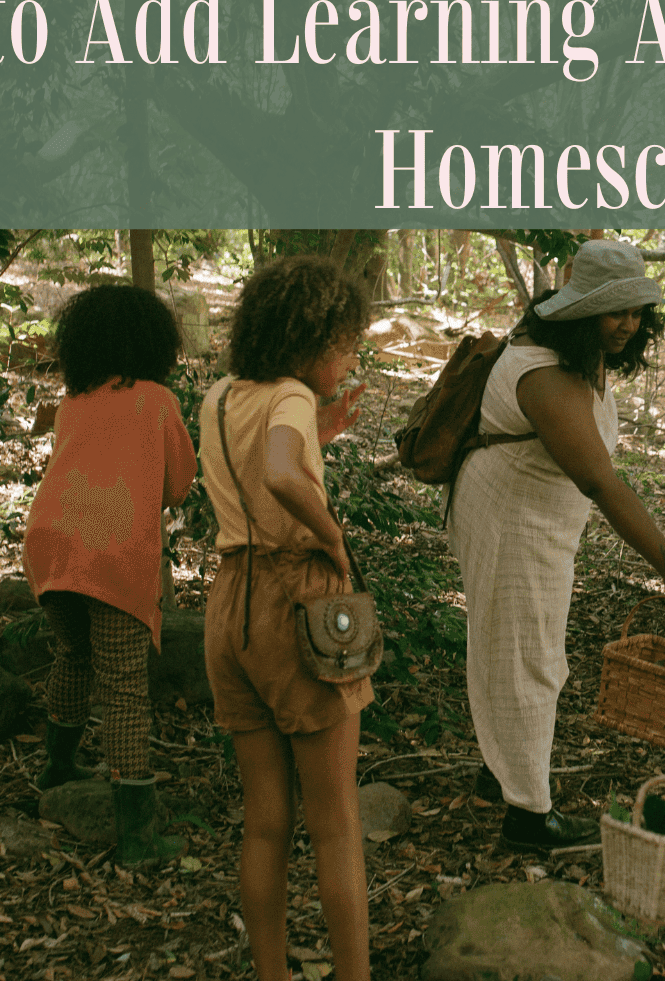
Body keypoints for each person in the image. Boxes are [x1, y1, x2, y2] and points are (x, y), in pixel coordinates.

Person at [449, 238, 665, 852]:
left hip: (536, 519)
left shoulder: (583, 357)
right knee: (527, 653)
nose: (627, 325)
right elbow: (598, 478)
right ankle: (528, 817)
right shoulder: (542, 370)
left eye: (635, 312)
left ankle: (505, 771)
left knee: (515, 643)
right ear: (580, 309)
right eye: (614, 312)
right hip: (511, 518)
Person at [198, 256, 373, 981]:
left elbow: (253, 476)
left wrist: (317, 444)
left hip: (229, 608)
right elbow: (277, 474)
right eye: (346, 346)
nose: (350, 359)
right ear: (311, 342)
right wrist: (331, 536)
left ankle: (271, 970)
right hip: (295, 599)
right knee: (334, 821)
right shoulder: (293, 396)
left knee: (266, 819)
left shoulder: (218, 396)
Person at [21, 284, 197, 866]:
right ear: (153, 343)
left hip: (51, 545)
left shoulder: (74, 401)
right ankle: (137, 835)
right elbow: (179, 484)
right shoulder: (157, 402)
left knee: (73, 657)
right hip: (113, 553)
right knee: (123, 687)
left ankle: (57, 768)